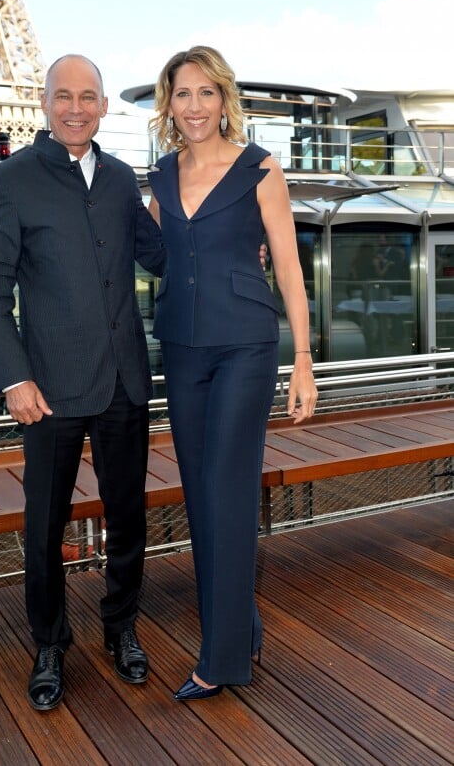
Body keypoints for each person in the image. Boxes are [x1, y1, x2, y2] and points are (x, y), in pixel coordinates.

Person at [0, 54, 167, 711]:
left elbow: (159, 253)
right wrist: (13, 376)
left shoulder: (118, 180)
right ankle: (50, 642)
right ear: (45, 102)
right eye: (64, 96)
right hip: (47, 386)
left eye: (88, 96)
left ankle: (120, 627)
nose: (76, 107)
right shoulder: (12, 180)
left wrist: (225, 229)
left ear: (104, 105)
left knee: (129, 516)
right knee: (44, 521)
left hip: (123, 381)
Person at [147, 45, 317, 701]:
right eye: (182, 94)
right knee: (201, 494)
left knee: (231, 492)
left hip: (246, 346)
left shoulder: (258, 169)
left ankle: (219, 659)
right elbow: (158, 258)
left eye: (205, 93)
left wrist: (302, 361)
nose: (194, 106)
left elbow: (289, 266)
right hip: (182, 347)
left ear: (224, 99)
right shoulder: (160, 177)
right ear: (170, 104)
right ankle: (240, 626)